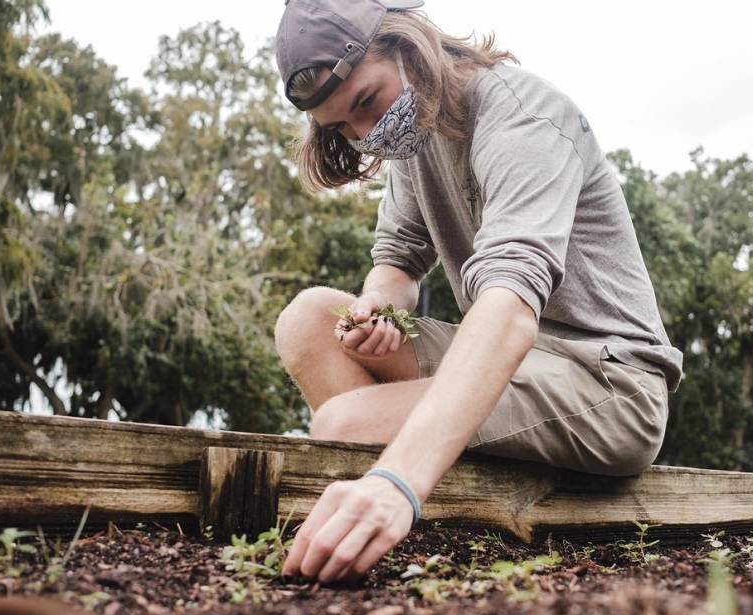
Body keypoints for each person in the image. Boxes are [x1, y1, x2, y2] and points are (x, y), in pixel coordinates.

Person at [273, 0, 684, 584]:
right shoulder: (414, 140)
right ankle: (418, 515)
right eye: (343, 127)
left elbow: (510, 307)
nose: (366, 134)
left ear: (410, 47)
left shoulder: (523, 118)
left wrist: (395, 482)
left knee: (344, 424)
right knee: (312, 320)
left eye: (365, 102)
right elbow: (396, 263)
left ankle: (404, 506)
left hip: (610, 385)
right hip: (516, 366)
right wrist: (376, 311)